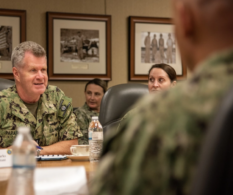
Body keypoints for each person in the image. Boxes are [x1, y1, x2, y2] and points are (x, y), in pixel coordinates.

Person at [91, 0, 233, 194]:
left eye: (160, 80)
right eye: (151, 80)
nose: (155, 85)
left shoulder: (154, 120)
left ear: (185, 18)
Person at [0, 41, 82, 159]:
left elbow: (73, 144)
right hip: (8, 177)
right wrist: (9, 151)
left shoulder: (57, 98)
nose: (41, 76)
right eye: (33, 70)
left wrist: (37, 151)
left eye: (43, 70)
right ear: (16, 74)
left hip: (51, 176)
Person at [74, 79, 107, 145]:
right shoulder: (79, 114)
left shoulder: (110, 113)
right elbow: (81, 142)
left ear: (105, 95)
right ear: (85, 93)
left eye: (97, 94)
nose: (92, 98)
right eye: (89, 93)